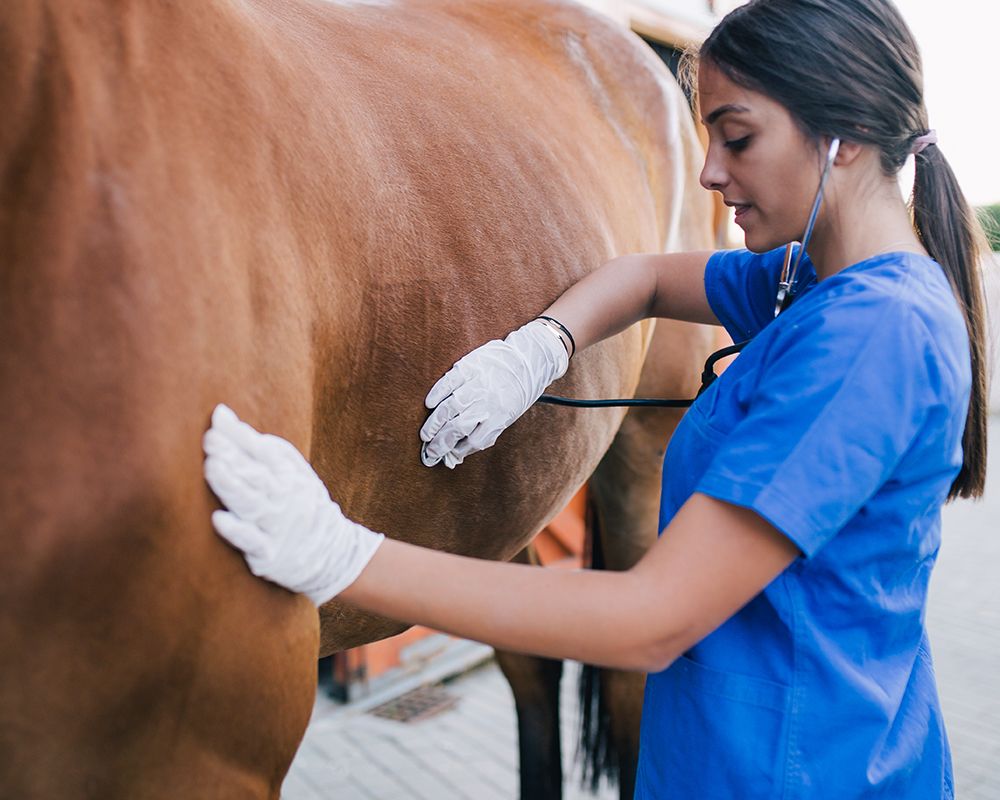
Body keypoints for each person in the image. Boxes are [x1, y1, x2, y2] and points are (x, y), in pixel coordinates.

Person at [201, 0, 989, 796]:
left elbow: (650, 619)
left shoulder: (871, 336)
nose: (712, 172)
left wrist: (339, 555)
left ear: (842, 137)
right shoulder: (812, 282)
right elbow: (646, 277)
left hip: (799, 772)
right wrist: (538, 348)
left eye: (737, 136)